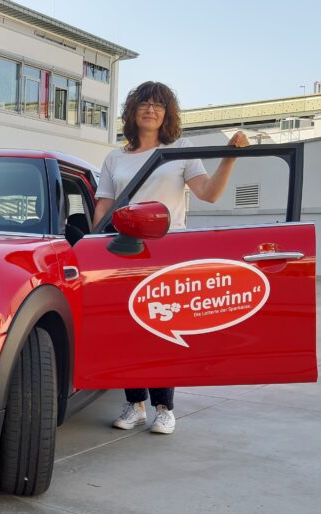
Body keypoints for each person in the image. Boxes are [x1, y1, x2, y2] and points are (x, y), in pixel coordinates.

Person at [93, 81, 249, 434]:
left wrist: (229, 159)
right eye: (144, 104)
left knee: (163, 329)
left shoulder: (180, 149)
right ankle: (135, 404)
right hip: (125, 249)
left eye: (158, 105)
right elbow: (104, 203)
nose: (151, 110)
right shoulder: (115, 157)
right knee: (127, 330)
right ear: (133, 112)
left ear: (167, 114)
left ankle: (165, 407)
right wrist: (93, 241)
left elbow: (208, 193)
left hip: (167, 251)